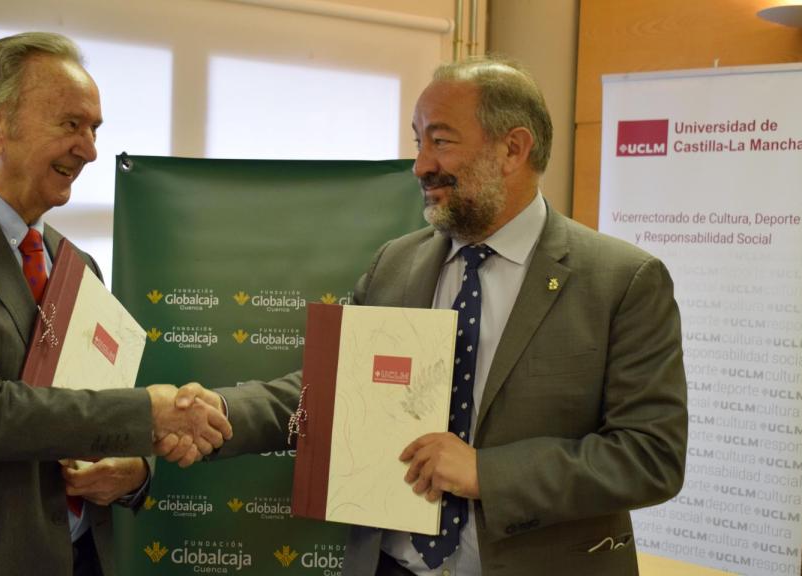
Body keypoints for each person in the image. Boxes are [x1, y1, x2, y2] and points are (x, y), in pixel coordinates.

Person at [178, 58, 687, 575]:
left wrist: (488, 474)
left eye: (440, 141)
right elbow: (329, 394)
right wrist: (220, 409)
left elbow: (651, 456)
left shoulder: (622, 280)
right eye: (418, 141)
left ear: (513, 149)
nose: (420, 165)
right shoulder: (395, 264)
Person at [0, 32, 229, 576]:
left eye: (94, 129)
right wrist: (149, 413)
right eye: (70, 124)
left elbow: (100, 410)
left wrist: (134, 470)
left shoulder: (79, 268)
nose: (91, 149)